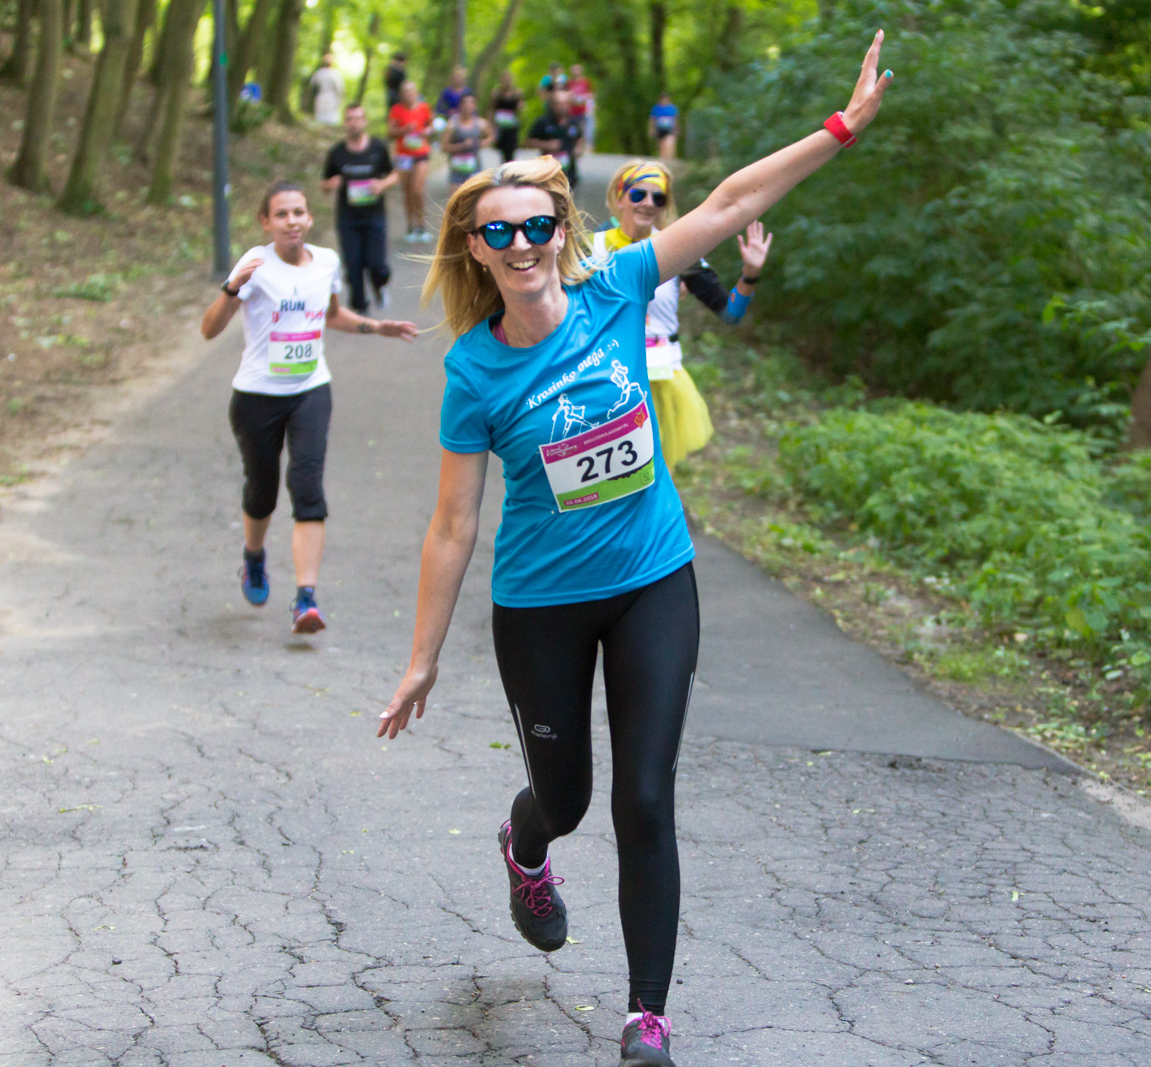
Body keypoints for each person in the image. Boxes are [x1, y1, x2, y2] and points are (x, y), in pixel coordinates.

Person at [377, 34, 892, 1067]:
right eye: (499, 233)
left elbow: (734, 202)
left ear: (562, 228)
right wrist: (422, 653)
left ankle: (645, 1013)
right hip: (540, 605)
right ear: (476, 250)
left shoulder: (615, 286)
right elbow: (451, 525)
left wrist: (841, 128)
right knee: (564, 799)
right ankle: (525, 846)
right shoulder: (473, 373)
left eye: (536, 225)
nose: (521, 243)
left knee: (644, 791)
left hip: (653, 577)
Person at [199, 182, 419, 634]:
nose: (292, 221)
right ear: (266, 222)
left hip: (310, 390)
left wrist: (376, 327)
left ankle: (306, 599)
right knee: (262, 492)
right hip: (257, 396)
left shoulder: (326, 262)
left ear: (310, 218)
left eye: (299, 212)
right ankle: (254, 559)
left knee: (307, 486)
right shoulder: (254, 264)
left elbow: (330, 313)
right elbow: (208, 330)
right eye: (281, 214)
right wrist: (230, 288)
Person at [592, 160, 771, 471]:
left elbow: (730, 313)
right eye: (638, 195)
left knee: (654, 476)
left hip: (660, 381)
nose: (648, 203)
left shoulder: (678, 248)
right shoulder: (590, 248)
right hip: (604, 380)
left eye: (658, 198)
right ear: (619, 198)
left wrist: (750, 275)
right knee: (606, 482)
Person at [322, 103, 397, 313]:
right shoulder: (337, 153)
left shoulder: (377, 148)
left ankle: (380, 286)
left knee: (376, 263)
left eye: (357, 118)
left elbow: (393, 174)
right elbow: (324, 184)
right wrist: (331, 184)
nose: (353, 123)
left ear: (364, 121)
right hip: (348, 217)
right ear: (345, 123)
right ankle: (359, 308)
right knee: (353, 265)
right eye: (349, 119)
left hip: (374, 215)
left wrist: (382, 185)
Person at [388, 81, 434, 242]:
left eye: (411, 91)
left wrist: (426, 131)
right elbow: (390, 132)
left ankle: (421, 225)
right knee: (407, 191)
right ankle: (410, 225)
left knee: (417, 190)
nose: (408, 94)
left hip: (421, 152)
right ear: (401, 94)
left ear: (416, 92)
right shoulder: (396, 110)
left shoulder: (423, 108)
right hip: (403, 155)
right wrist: (404, 130)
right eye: (405, 92)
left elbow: (431, 126)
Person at [524, 90, 584, 189]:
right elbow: (528, 142)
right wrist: (546, 144)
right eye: (558, 103)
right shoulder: (543, 122)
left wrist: (578, 149)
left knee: (566, 201)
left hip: (569, 172)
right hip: (548, 172)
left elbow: (580, 140)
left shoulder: (574, 123)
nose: (562, 106)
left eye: (565, 103)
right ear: (552, 105)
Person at [441, 93, 492, 188]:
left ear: (475, 106)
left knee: (473, 200)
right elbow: (444, 147)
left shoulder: (481, 123)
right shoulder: (452, 124)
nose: (467, 106)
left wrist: (481, 143)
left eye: (471, 103)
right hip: (457, 170)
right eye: (465, 103)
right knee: (456, 200)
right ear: (460, 105)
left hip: (474, 169)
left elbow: (491, 136)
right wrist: (462, 145)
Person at [489, 70, 524, 164]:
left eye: (508, 80)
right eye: (504, 80)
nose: (506, 82)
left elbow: (521, 109)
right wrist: (491, 126)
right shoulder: (497, 94)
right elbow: (491, 109)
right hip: (500, 127)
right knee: (501, 151)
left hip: (511, 127)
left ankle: (509, 169)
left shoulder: (516, 93)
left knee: (511, 151)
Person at [566, 63, 595, 153]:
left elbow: (591, 95)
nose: (575, 72)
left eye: (577, 70)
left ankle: (586, 149)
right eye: (574, 70)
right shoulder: (569, 83)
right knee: (573, 131)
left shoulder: (586, 82)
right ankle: (573, 148)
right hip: (572, 112)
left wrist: (585, 100)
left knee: (585, 130)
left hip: (583, 111)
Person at [310, 54, 345, 125]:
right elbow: (339, 88)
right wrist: (340, 98)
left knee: (323, 116)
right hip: (331, 97)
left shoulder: (318, 73)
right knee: (330, 117)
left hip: (321, 96)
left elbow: (313, 86)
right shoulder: (335, 74)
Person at [434, 66, 470, 134]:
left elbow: (473, 108)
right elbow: (439, 107)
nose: (458, 79)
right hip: (449, 119)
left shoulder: (467, 92)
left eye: (460, 77)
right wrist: (448, 112)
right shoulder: (447, 92)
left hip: (464, 120)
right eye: (456, 77)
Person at [649, 93, 678, 161]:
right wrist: (651, 129)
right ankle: (663, 159)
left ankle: (670, 158)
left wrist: (677, 129)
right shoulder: (656, 108)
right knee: (661, 145)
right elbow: (652, 119)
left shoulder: (672, 108)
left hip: (670, 129)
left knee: (670, 143)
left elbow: (675, 119)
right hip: (660, 129)